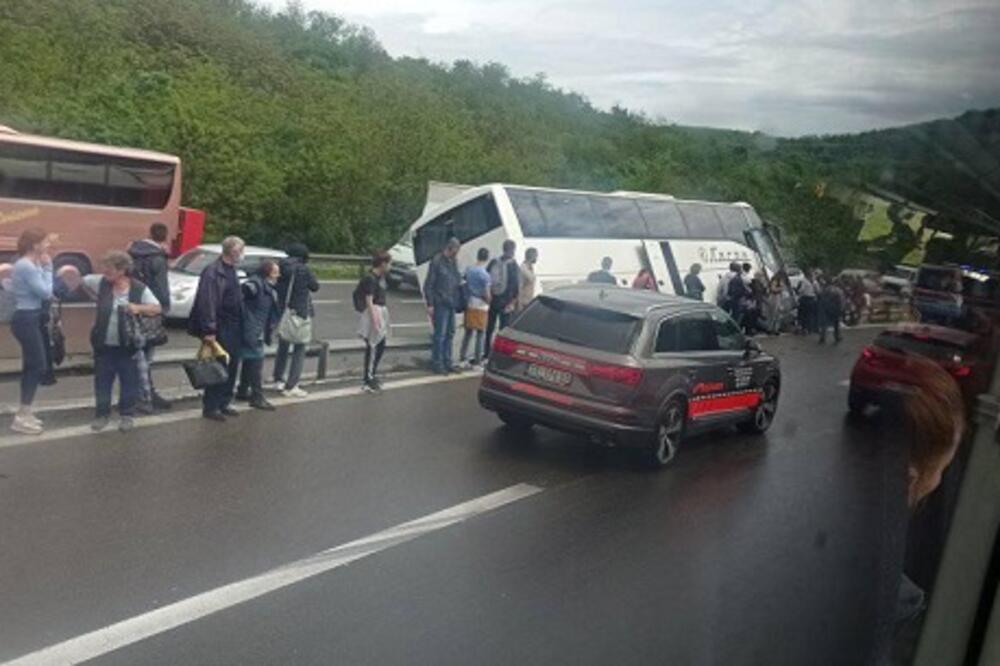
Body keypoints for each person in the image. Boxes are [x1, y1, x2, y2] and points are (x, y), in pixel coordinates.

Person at [76, 251, 163, 432]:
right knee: (102, 382)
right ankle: (102, 414)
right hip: (104, 345)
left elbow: (157, 308)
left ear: (122, 270)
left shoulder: (139, 288)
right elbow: (81, 281)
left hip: (128, 345)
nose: (104, 273)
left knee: (128, 382)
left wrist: (137, 307)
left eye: (109, 270)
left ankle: (127, 415)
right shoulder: (101, 283)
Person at [189, 236, 246, 422]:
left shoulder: (230, 270)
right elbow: (208, 302)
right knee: (218, 366)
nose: (242, 254)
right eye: (241, 250)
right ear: (233, 251)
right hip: (221, 326)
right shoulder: (213, 271)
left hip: (234, 325)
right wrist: (210, 329)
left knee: (232, 363)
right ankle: (211, 406)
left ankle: (224, 401)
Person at [9, 229, 53, 435]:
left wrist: (43, 268)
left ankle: (25, 412)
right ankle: (21, 416)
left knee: (32, 365)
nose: (48, 246)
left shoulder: (30, 264)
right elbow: (45, 292)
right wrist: (49, 267)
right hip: (26, 318)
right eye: (45, 242)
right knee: (38, 365)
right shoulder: (26, 266)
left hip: (30, 317)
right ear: (35, 245)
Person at [128, 222, 172, 412]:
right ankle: (146, 395)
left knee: (137, 353)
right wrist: (165, 308)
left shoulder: (133, 252)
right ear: (165, 237)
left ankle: (142, 393)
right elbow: (161, 287)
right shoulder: (157, 258)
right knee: (147, 354)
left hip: (134, 304)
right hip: (151, 308)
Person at [272, 243, 319, 398]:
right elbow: (315, 286)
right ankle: (292, 385)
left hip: (283, 310)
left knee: (283, 345)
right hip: (299, 312)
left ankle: (278, 378)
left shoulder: (281, 267)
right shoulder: (303, 269)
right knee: (300, 347)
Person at [235, 260, 280, 410]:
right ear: (267, 273)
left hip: (254, 329)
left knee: (250, 361)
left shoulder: (266, 287)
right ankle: (257, 396)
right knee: (256, 363)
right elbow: (243, 293)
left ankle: (243, 390)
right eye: (275, 272)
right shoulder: (256, 285)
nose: (278, 275)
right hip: (252, 330)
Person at [423, 237, 462, 374]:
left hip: (451, 302)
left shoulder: (453, 262)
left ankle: (447, 361)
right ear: (450, 248)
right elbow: (429, 284)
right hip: (440, 303)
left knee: (450, 333)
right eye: (456, 251)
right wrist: (430, 304)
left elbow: (456, 280)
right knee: (440, 335)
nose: (457, 254)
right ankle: (437, 363)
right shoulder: (437, 261)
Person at [358, 251, 392, 392]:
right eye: (389, 263)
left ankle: (372, 374)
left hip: (380, 312)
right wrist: (376, 320)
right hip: (374, 313)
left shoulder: (380, 277)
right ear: (383, 264)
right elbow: (369, 301)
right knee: (373, 346)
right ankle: (368, 378)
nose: (390, 266)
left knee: (380, 345)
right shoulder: (371, 279)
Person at [485, 239, 520, 356]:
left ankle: (486, 352)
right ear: (512, 250)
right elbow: (516, 286)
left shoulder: (494, 262)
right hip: (506, 302)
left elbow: (486, 279)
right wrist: (513, 302)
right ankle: (498, 354)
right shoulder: (513, 265)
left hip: (493, 300)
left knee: (489, 328)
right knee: (502, 331)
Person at [460, 248, 492, 367]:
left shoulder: (469, 270)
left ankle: (462, 358)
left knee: (468, 332)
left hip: (470, 303)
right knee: (480, 333)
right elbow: (487, 294)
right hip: (481, 306)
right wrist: (489, 301)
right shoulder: (485, 275)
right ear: (487, 258)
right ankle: (478, 361)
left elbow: (463, 282)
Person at [817, 277, 845, 344]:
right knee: (836, 324)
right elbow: (841, 301)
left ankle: (822, 338)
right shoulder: (838, 290)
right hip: (835, 309)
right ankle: (837, 337)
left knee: (824, 324)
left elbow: (821, 299)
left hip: (826, 308)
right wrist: (841, 309)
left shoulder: (824, 290)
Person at [796, 269, 818, 334]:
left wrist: (798, 291)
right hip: (812, 299)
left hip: (805, 299)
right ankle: (810, 328)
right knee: (810, 314)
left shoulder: (804, 281)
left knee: (803, 314)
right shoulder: (814, 282)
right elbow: (817, 290)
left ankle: (804, 328)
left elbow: (801, 290)